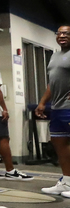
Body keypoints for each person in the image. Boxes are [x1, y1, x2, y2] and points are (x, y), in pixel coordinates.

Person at [36, 24, 70, 196]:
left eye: (66, 33)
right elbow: (52, 82)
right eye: (59, 33)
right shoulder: (55, 56)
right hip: (57, 107)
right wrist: (43, 102)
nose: (62, 35)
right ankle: (67, 181)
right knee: (59, 143)